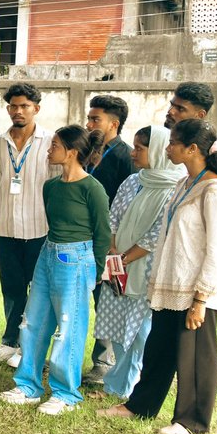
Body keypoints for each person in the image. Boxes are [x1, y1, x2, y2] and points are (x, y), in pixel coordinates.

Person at [98, 119, 217, 434]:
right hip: (168, 286)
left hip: (194, 290)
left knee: (194, 359)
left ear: (192, 149)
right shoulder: (183, 184)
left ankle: (191, 422)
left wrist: (201, 299)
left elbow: (216, 250)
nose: (167, 147)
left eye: (173, 142)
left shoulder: (215, 190)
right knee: (158, 351)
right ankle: (140, 405)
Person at [0, 125, 111, 415]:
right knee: (33, 321)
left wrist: (94, 272)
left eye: (55, 146)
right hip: (48, 254)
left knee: (68, 327)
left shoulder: (92, 189)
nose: (49, 150)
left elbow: (102, 233)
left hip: (76, 260)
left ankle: (66, 393)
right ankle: (28, 386)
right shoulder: (51, 186)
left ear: (72, 152)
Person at [92, 125, 185, 400]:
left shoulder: (175, 187)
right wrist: (113, 253)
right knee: (117, 325)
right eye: (134, 146)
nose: (133, 153)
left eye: (140, 148)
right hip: (117, 262)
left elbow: (156, 235)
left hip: (146, 270)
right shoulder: (134, 181)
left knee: (141, 332)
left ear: (155, 150)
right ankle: (114, 386)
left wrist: (122, 258)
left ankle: (129, 386)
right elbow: (113, 218)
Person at [0, 83, 58, 368]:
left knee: (39, 292)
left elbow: (56, 185)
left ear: (36, 109)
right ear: (8, 109)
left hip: (39, 229)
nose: (18, 111)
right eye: (13, 106)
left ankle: (31, 346)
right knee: (12, 289)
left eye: (24, 106)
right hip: (6, 228)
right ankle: (10, 341)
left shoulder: (50, 141)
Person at [84, 94, 133, 385]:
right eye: (89, 118)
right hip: (82, 240)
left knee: (108, 301)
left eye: (95, 119)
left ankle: (104, 363)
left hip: (112, 245)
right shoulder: (87, 152)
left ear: (114, 123)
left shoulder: (127, 156)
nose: (89, 124)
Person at [164, 81, 217, 204]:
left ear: (200, 115)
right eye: (172, 105)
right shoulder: (162, 138)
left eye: (180, 109)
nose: (171, 111)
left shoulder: (216, 146)